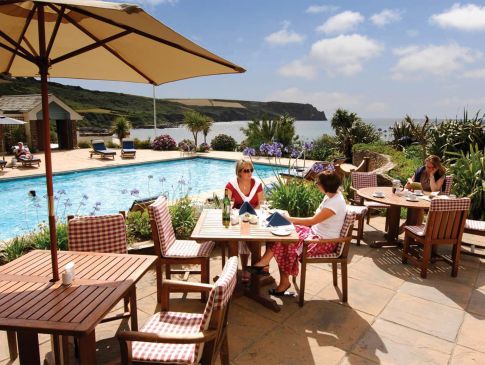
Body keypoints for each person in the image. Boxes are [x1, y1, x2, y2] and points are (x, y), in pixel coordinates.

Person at [247, 171, 346, 296]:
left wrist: (289, 218)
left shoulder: (335, 203)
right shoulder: (332, 196)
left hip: (322, 242)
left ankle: (272, 272)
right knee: (280, 231)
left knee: (284, 242)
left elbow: (312, 220)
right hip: (314, 233)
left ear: (326, 185)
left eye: (318, 183)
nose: (316, 185)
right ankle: (264, 265)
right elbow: (314, 221)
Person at [225, 159, 264, 282]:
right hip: (237, 219)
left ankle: (251, 267)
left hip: (253, 218)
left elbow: (260, 203)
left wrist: (251, 214)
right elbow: (226, 205)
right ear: (239, 172)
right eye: (246, 170)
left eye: (251, 170)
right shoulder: (230, 185)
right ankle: (250, 267)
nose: (250, 173)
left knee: (249, 236)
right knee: (241, 237)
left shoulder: (257, 184)